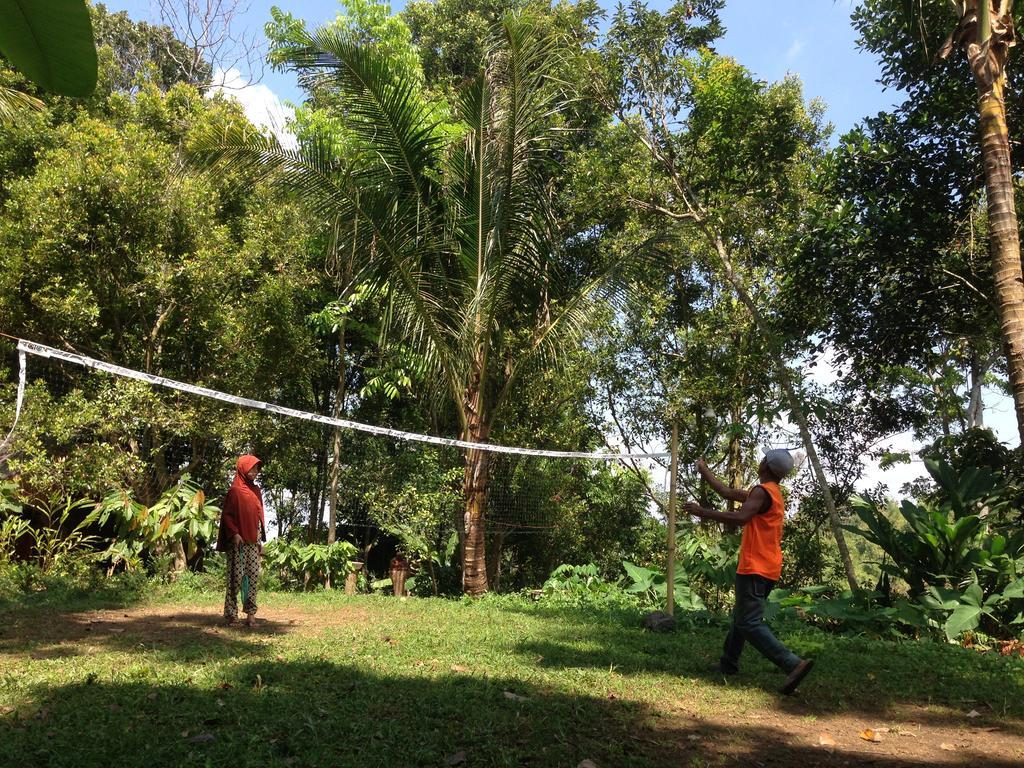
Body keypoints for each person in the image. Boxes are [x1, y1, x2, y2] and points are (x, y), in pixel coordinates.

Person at [682, 448, 814, 695]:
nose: (760, 460)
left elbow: (741, 518)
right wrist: (704, 469)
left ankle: (793, 663)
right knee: (741, 617)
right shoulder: (770, 492)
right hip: (768, 566)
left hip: (756, 566)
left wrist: (703, 512)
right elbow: (727, 492)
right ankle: (728, 664)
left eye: (763, 458)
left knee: (748, 622)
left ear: (765, 465)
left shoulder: (762, 493)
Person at [216, 454, 266, 628]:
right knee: (236, 578)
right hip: (237, 542)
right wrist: (234, 533)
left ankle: (251, 615)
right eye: (251, 468)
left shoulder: (256, 491)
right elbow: (227, 516)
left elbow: (259, 516)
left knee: (252, 577)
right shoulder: (234, 491)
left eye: (257, 469)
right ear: (242, 468)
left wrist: (260, 538)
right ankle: (232, 615)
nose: (255, 472)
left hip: (253, 541)